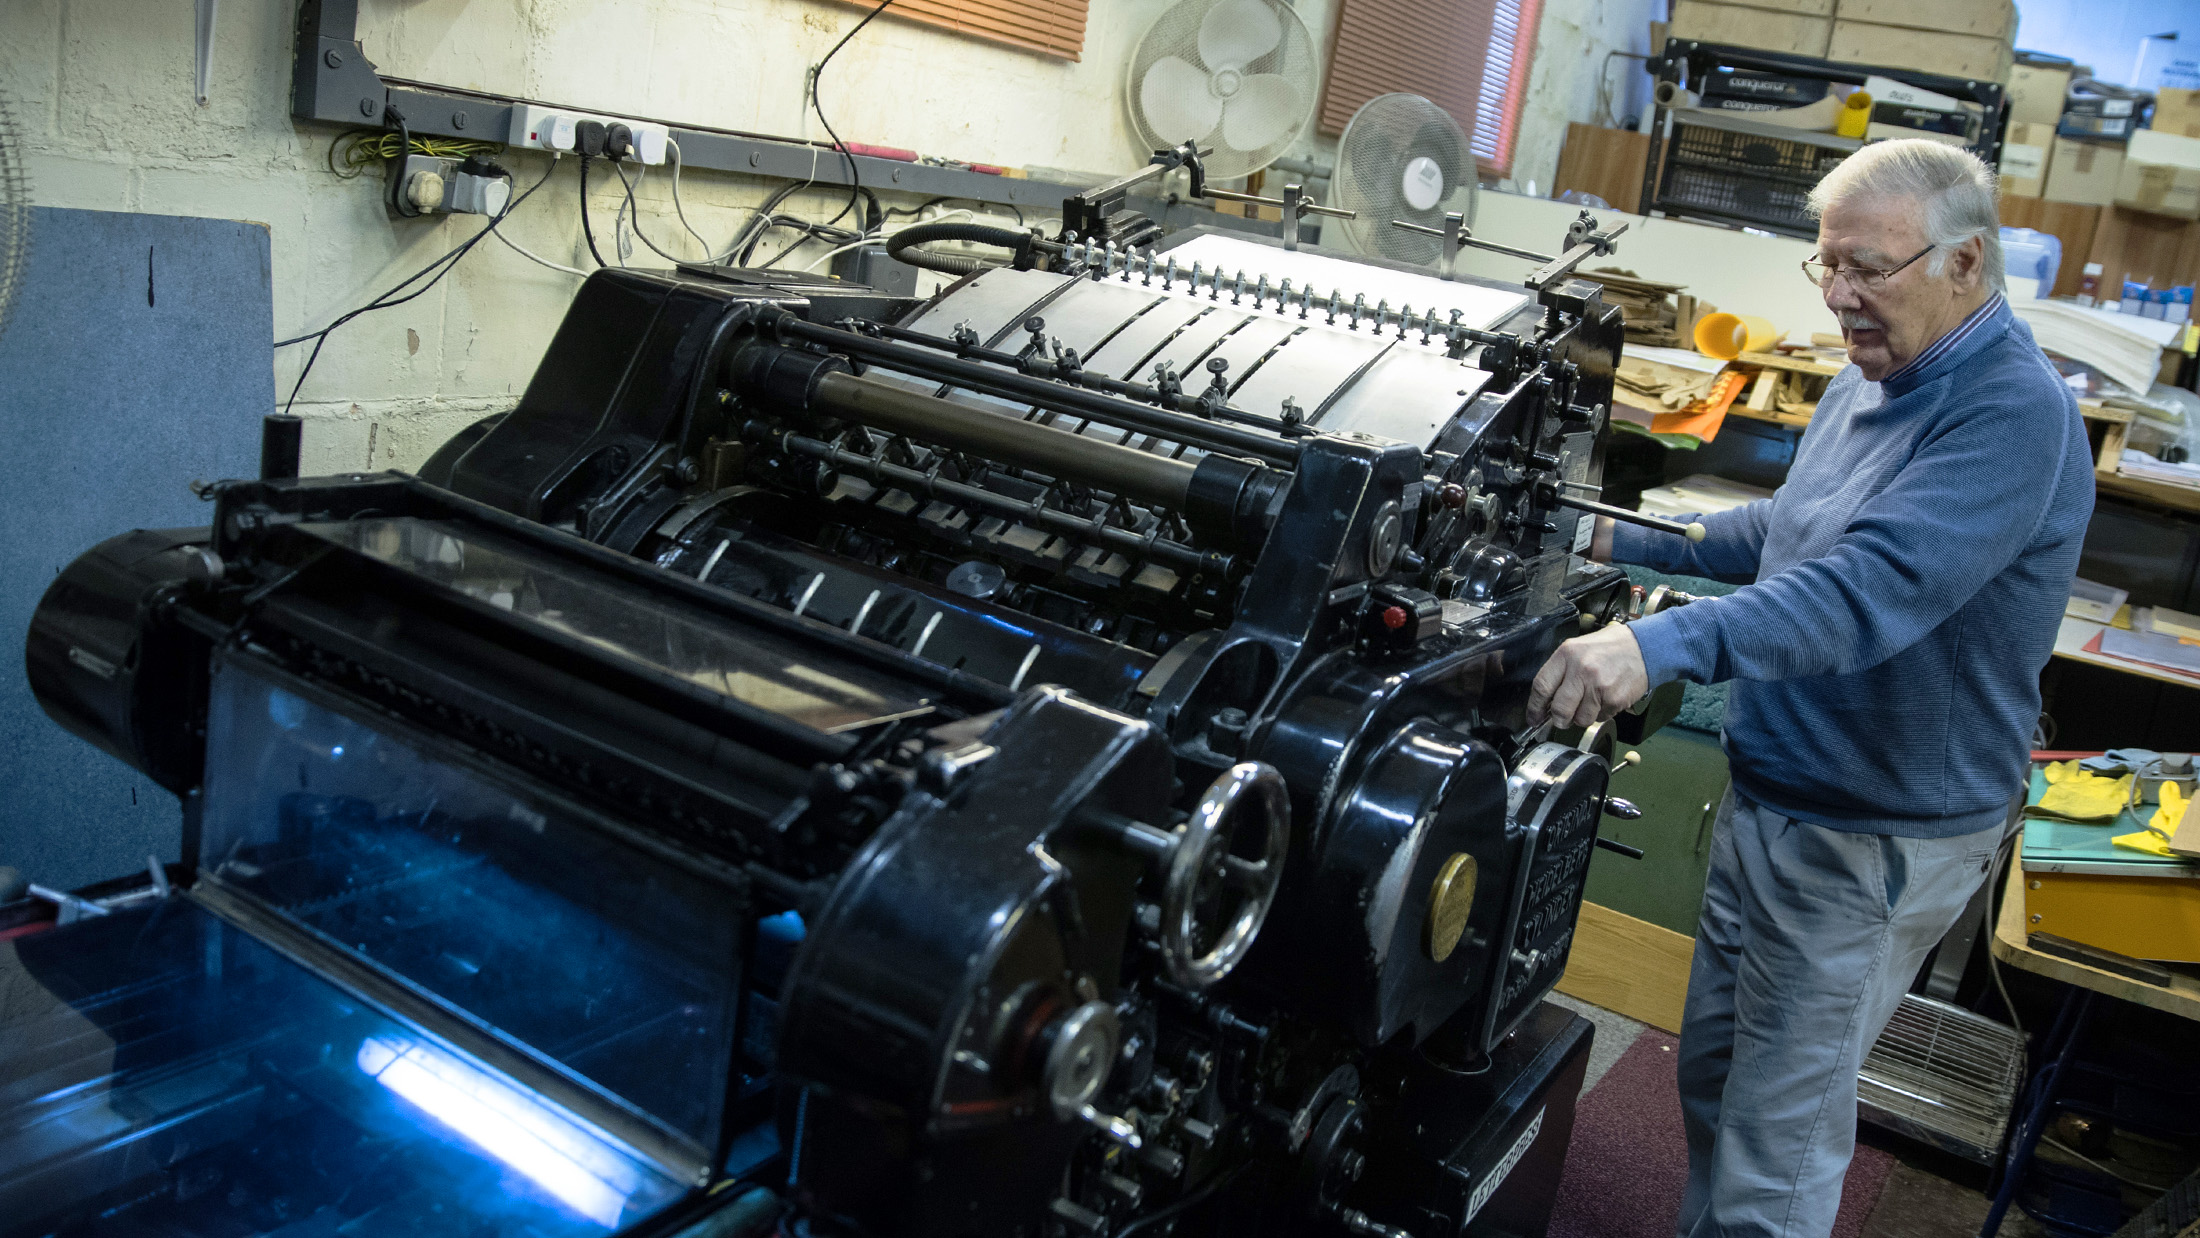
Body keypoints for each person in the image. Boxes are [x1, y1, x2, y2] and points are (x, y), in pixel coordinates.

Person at [1528, 139, 2094, 1237]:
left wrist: (1657, 646)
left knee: (1776, 1145)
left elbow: (1859, 591)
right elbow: (1791, 529)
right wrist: (1631, 535)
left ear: (1965, 262)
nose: (1838, 297)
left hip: (1872, 835)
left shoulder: (2013, 416)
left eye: (1866, 269)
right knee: (1718, 1084)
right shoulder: (1872, 368)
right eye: (1824, 265)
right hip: (1775, 793)